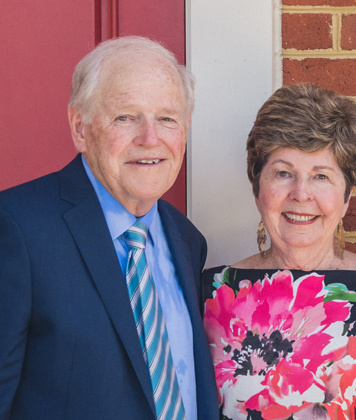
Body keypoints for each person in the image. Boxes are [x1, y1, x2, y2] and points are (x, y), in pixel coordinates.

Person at [0, 36, 218, 420]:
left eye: (167, 118)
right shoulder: (17, 228)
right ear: (80, 127)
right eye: (125, 117)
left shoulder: (187, 240)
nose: (150, 139)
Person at [202, 83, 356, 420]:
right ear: (258, 188)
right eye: (284, 173)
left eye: (320, 176)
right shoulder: (211, 294)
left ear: (346, 198)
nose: (301, 194)